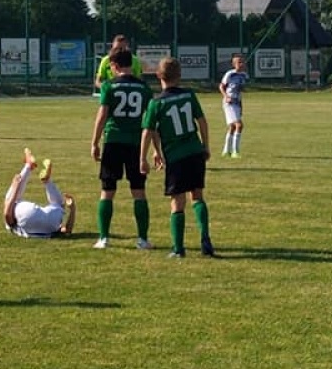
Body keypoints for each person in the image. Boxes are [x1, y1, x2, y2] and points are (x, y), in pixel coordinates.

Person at [140, 56, 214, 258]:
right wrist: (205, 146)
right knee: (197, 196)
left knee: (177, 201)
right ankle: (205, 238)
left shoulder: (157, 103)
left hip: (176, 156)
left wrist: (143, 158)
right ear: (180, 75)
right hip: (194, 151)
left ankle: (178, 249)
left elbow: (147, 131)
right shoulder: (189, 95)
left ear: (158, 76)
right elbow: (202, 122)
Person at [91, 47, 154, 249]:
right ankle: (142, 239)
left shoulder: (109, 86)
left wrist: (94, 142)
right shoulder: (144, 88)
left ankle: (103, 238)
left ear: (115, 66)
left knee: (107, 190)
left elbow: (102, 117)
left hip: (113, 141)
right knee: (139, 191)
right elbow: (150, 121)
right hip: (136, 144)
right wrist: (156, 150)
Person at [3, 148, 77, 238]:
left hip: (31, 217)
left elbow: (7, 215)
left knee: (60, 204)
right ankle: (42, 177)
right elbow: (67, 231)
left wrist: (15, 187)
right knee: (59, 205)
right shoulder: (54, 228)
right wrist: (73, 209)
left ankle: (30, 166)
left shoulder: (13, 226)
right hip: (50, 222)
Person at [219, 52, 248, 158]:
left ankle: (226, 150)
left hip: (237, 102)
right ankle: (235, 151)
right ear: (233, 64)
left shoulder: (244, 75)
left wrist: (241, 106)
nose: (241, 64)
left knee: (232, 127)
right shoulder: (230, 74)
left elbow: (241, 90)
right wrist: (226, 96)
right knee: (239, 125)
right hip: (229, 103)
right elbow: (221, 86)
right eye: (238, 62)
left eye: (242, 62)